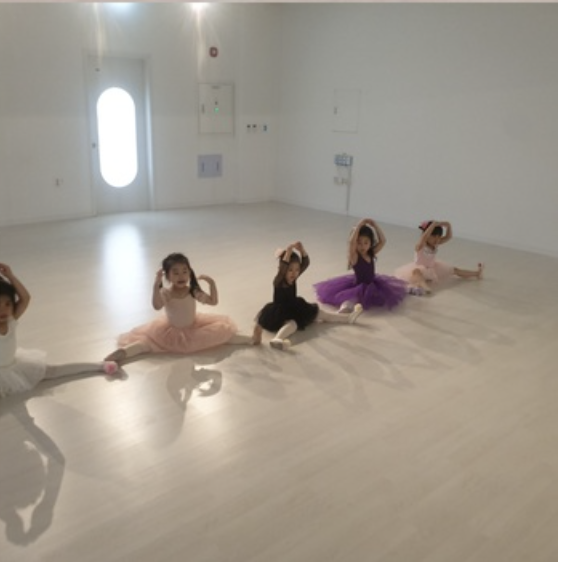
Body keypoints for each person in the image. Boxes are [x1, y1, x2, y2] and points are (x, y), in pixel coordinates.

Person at [104, 252, 257, 364]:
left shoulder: (192, 291)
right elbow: (157, 305)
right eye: (175, 273)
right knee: (146, 344)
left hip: (194, 325)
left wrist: (212, 284)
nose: (181, 276)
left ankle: (252, 339)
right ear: (168, 276)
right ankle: (122, 353)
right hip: (171, 332)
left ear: (190, 272)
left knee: (223, 333)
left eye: (184, 271)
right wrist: (156, 285)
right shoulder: (167, 293)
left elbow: (213, 302)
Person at [0, 263, 118, 398]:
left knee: (53, 371)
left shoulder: (11, 320)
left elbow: (25, 298)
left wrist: (10, 276)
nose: (3, 309)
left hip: (14, 366)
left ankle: (100, 365)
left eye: (7, 304)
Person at [253, 242, 363, 350]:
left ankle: (347, 318)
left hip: (294, 307)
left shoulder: (293, 277)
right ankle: (277, 339)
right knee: (292, 325)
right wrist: (288, 253)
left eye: (297, 270)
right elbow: (282, 270)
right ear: (283, 269)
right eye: (290, 270)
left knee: (320, 313)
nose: (294, 273)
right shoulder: (279, 281)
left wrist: (302, 250)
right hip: (280, 312)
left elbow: (305, 263)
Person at [314, 218, 407, 312]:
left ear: (371, 243)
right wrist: (359, 226)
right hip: (358, 286)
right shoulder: (355, 256)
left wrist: (375, 226)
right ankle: (344, 308)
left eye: (366, 243)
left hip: (372, 284)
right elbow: (351, 243)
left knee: (387, 293)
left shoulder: (371, 253)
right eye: (359, 243)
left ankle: (409, 290)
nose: (363, 246)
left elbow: (383, 241)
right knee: (352, 300)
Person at [395, 220, 484, 295]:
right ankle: (423, 287)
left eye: (439, 237)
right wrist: (433, 225)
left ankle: (476, 273)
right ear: (427, 235)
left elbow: (449, 237)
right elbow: (424, 237)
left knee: (454, 270)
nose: (437, 239)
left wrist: (448, 225)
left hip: (433, 268)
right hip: (419, 268)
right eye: (434, 236)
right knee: (416, 272)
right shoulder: (420, 245)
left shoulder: (436, 244)